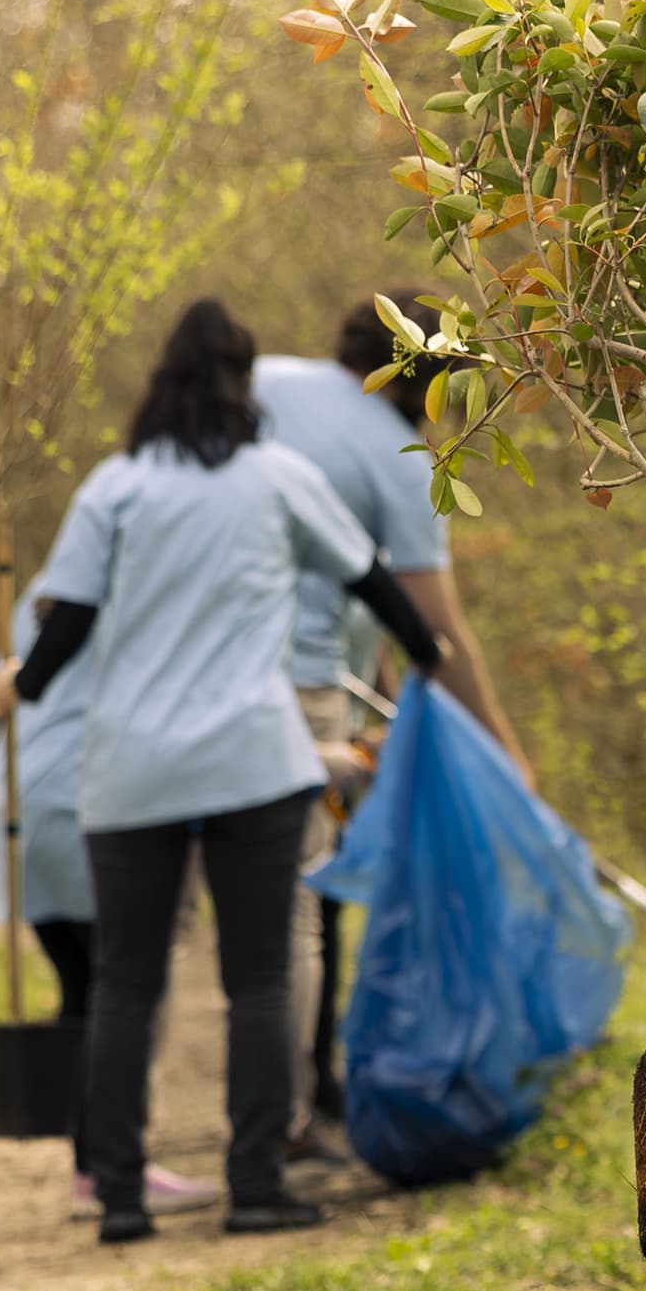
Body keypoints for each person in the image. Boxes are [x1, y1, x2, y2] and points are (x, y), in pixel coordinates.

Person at [0, 299, 454, 1247]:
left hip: (129, 771)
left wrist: (20, 686)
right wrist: (429, 655)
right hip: (254, 760)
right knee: (255, 980)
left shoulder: (114, 488)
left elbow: (66, 624)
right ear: (243, 385)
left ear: (159, 381)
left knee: (128, 985)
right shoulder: (277, 478)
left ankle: (119, 1198)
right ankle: (254, 1187)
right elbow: (371, 575)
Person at [252, 291, 531, 1161]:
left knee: (267, 894)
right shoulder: (403, 458)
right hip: (301, 680)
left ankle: (305, 1089)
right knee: (306, 892)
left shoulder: (270, 380)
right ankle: (289, 1113)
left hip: (210, 667)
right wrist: (507, 755)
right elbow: (436, 637)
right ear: (435, 381)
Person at [0, 591, 218, 1217]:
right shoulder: (128, 599)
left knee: (85, 988)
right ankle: (113, 1167)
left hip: (11, 798)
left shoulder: (37, 591)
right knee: (121, 989)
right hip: (72, 800)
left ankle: (95, 1165)